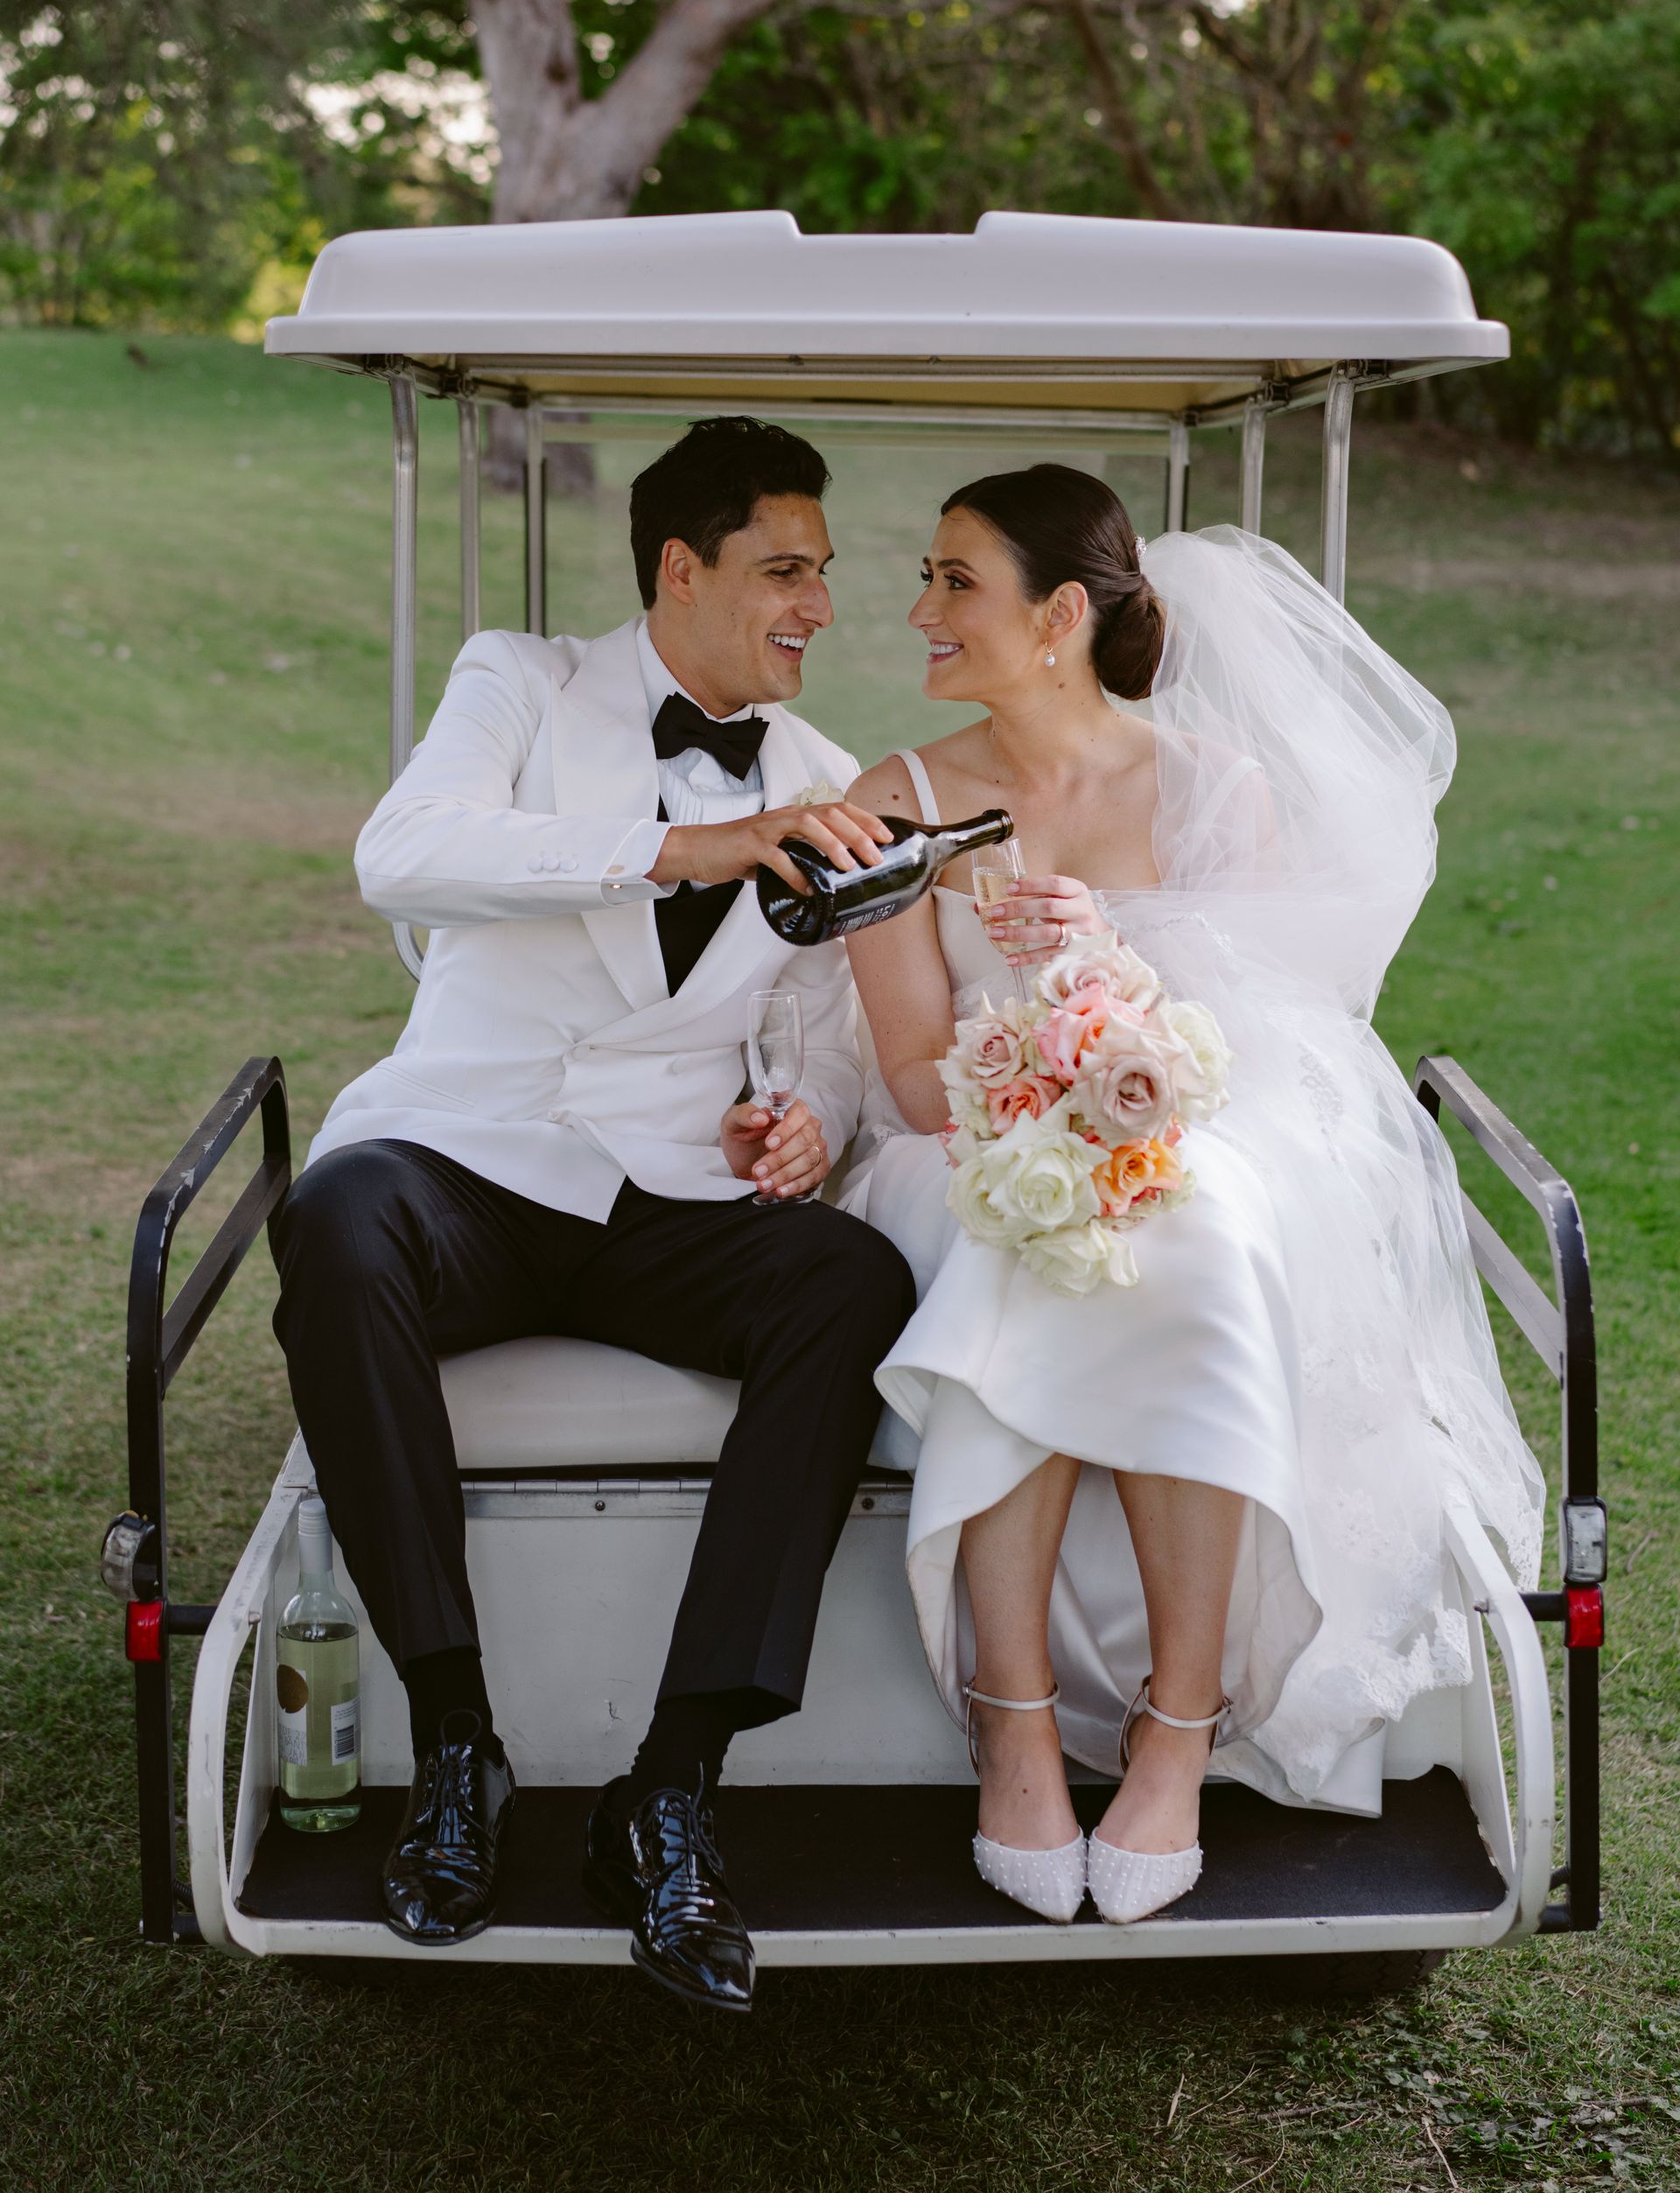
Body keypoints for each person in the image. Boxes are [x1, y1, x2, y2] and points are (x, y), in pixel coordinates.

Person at [843, 466, 1544, 1926]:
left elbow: (1275, 1046)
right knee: (1017, 1239)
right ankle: (1016, 1718)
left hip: (1185, 1135)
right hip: (950, 1148)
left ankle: (1178, 1726)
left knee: (1197, 1224)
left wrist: (1109, 962)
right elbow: (911, 1074)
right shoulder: (896, 800)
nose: (920, 609)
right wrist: (1023, 1081)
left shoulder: (1218, 792)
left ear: (1059, 616)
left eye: (954, 580)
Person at [272, 416, 914, 2009]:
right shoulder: (520, 681)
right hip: (469, 1163)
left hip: (663, 1200)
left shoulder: (831, 783)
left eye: (823, 573)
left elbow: (833, 1035)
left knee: (849, 1276)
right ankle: (457, 1740)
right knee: (335, 1220)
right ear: (680, 567)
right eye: (785, 568)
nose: (817, 605)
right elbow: (402, 853)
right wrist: (687, 842)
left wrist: (805, 1120)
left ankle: (671, 1786)